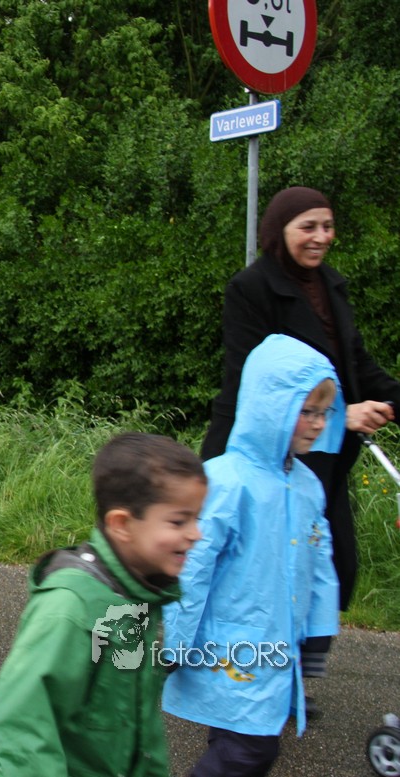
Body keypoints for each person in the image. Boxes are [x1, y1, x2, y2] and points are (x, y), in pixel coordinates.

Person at [0, 432, 206, 776]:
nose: (196, 534)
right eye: (178, 521)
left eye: (197, 519)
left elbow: (139, 731)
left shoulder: (140, 598)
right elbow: (21, 729)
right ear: (122, 524)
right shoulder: (71, 609)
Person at [201, 186, 400, 612]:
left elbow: (356, 364)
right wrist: (340, 415)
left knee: (329, 572)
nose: (321, 237)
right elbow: (257, 385)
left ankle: (304, 648)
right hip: (263, 456)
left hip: (322, 457)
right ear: (279, 231)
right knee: (261, 576)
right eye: (308, 227)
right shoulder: (250, 288)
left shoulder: (331, 285)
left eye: (328, 226)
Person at [165, 334, 342, 776]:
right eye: (307, 411)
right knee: (250, 751)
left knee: (241, 742)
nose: (318, 424)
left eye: (324, 413)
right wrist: (172, 643)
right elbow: (192, 567)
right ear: (271, 405)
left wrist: (318, 634)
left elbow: (320, 562)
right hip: (230, 647)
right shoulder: (227, 482)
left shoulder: (307, 486)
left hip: (278, 648)